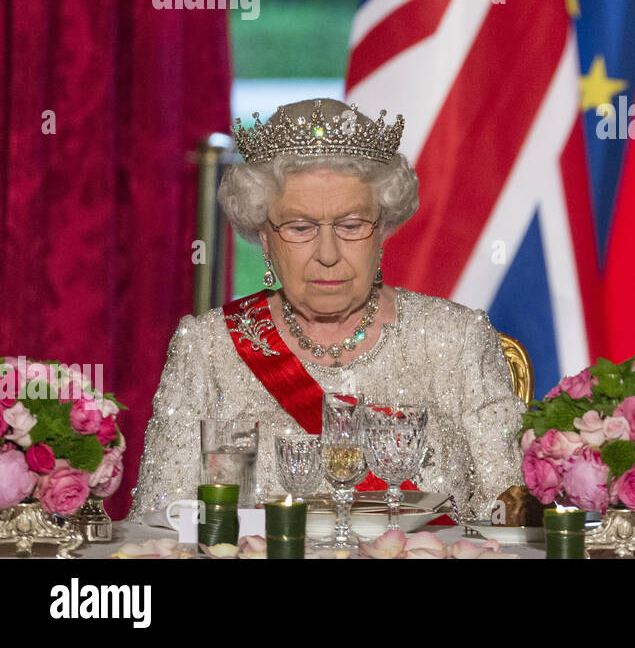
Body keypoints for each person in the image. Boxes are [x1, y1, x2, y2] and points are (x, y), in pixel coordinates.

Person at [128, 98, 523, 523]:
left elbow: (508, 517)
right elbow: (162, 524)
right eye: (300, 228)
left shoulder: (457, 338)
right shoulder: (208, 347)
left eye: (351, 225)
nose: (328, 254)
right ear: (265, 237)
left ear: (383, 229)